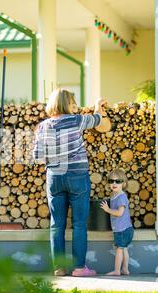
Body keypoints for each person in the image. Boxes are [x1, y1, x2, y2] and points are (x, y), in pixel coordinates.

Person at [33, 88, 107, 277]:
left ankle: (59, 267)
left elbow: (37, 156)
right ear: (67, 103)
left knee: (56, 224)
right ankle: (80, 268)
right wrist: (98, 107)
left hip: (54, 177)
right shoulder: (76, 120)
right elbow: (97, 120)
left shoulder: (42, 127)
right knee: (79, 223)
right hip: (77, 176)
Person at [100, 168, 134, 276]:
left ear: (123, 184)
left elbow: (119, 213)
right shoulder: (115, 195)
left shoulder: (121, 196)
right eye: (111, 181)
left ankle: (117, 270)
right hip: (124, 229)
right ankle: (125, 269)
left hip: (122, 230)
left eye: (117, 181)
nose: (114, 183)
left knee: (119, 249)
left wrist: (107, 209)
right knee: (124, 249)